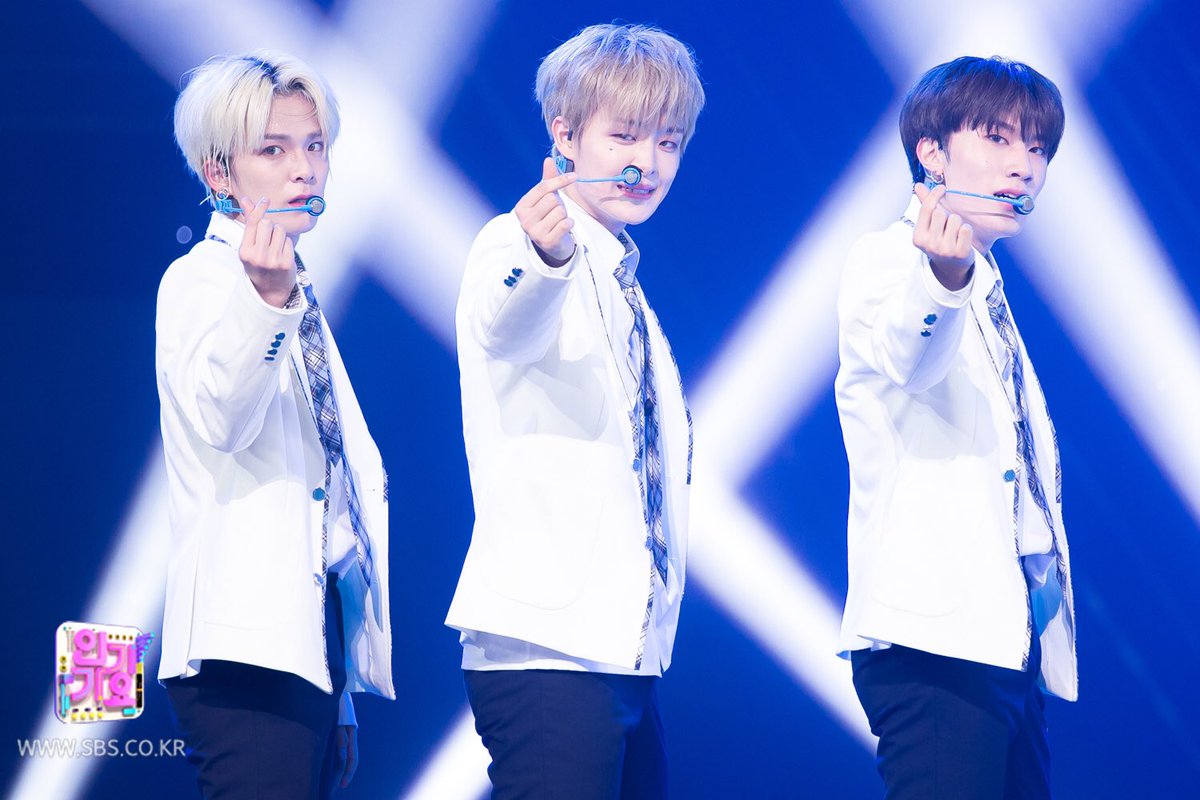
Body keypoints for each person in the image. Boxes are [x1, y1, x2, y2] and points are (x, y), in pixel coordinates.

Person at [444, 23, 704, 800]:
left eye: (667, 142)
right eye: (624, 135)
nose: (646, 162)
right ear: (565, 134)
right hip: (547, 648)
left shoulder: (626, 282)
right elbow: (504, 324)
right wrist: (542, 259)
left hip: (622, 650)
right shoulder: (515, 244)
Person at [834, 56, 1078, 799]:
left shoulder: (987, 280)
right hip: (934, 641)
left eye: (1036, 147)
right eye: (998, 139)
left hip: (1004, 643)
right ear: (931, 152)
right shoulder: (890, 258)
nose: (1023, 166)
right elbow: (911, 359)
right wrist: (942, 279)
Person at [156, 51, 394, 799]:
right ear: (219, 172)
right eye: (274, 149)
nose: (304, 169)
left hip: (307, 644)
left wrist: (341, 687)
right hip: (244, 648)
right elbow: (223, 421)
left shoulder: (292, 287)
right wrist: (264, 302)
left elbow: (332, 489)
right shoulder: (203, 279)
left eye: (314, 146)